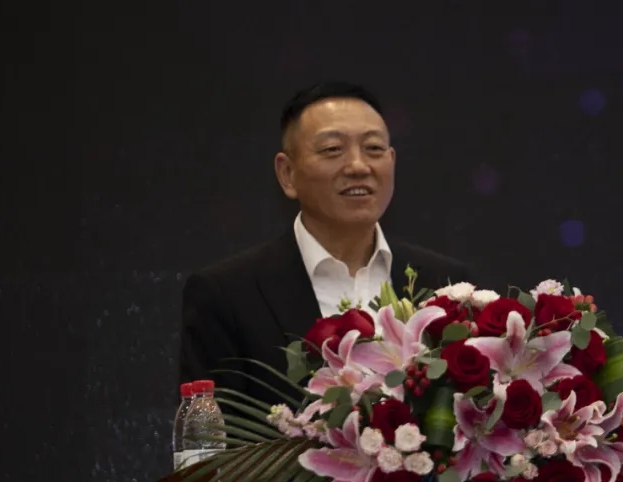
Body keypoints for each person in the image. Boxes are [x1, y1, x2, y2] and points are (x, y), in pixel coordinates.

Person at [179, 81, 475, 414]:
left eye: (374, 148)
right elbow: (213, 440)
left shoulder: (448, 284)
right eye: (333, 149)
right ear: (287, 174)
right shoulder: (227, 295)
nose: (358, 166)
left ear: (392, 161)